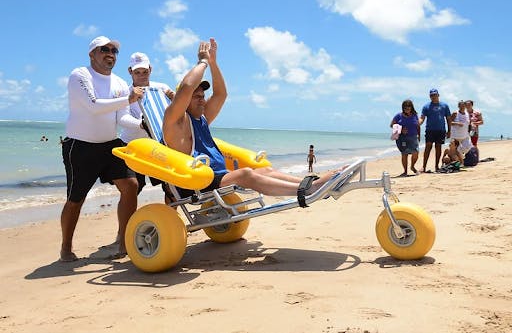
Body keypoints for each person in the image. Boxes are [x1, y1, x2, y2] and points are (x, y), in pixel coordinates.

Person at [162, 38, 341, 198]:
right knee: (245, 174)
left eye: (203, 96)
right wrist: (203, 62)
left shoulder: (201, 119)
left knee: (266, 170)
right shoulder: (176, 122)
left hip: (218, 177)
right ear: (184, 101)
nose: (203, 100)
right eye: (197, 97)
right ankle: (309, 190)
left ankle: (312, 183)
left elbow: (220, 94)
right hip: (198, 184)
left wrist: (213, 63)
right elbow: (187, 87)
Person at [60, 36, 144, 262]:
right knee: (76, 199)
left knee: (131, 185)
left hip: (110, 145)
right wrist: (128, 99)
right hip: (80, 146)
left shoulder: (119, 83)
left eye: (114, 50)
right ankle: (66, 248)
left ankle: (124, 241)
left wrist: (141, 125)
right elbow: (93, 106)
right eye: (104, 49)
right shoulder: (80, 75)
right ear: (92, 54)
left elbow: (122, 117)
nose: (110, 54)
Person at [120, 52, 174, 194]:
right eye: (137, 72)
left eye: (145, 71)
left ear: (150, 69)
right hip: (132, 145)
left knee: (170, 186)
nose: (142, 76)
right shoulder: (125, 92)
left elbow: (175, 112)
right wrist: (142, 124)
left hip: (156, 144)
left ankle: (170, 208)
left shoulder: (162, 88)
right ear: (130, 71)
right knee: (135, 186)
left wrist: (175, 99)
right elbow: (122, 119)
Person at [419, 88, 451, 172]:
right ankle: (424, 166)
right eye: (432, 95)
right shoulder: (426, 106)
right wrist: (417, 123)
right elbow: (422, 118)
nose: (433, 96)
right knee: (428, 147)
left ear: (438, 95)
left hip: (441, 130)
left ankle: (436, 166)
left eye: (435, 95)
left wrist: (449, 130)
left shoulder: (444, 105)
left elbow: (448, 118)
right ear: (430, 96)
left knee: (438, 147)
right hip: (430, 130)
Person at [390, 99, 420, 176]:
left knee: (416, 153)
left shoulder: (415, 115)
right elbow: (391, 125)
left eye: (409, 106)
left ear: (411, 107)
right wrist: (401, 129)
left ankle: (412, 167)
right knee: (404, 154)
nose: (407, 108)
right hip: (402, 138)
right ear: (403, 108)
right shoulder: (398, 116)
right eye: (405, 107)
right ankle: (405, 171)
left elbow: (418, 126)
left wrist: (419, 135)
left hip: (413, 137)